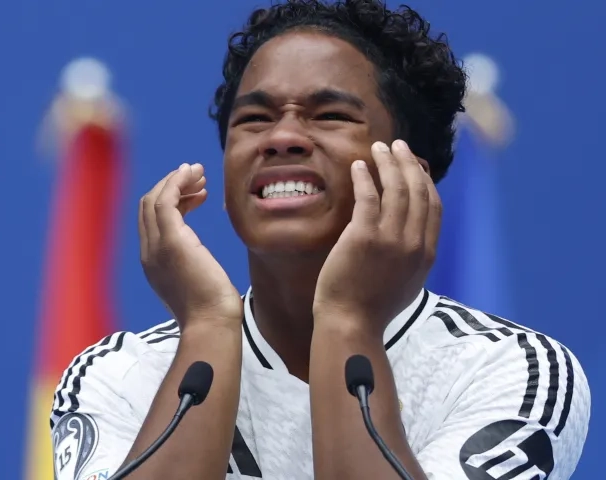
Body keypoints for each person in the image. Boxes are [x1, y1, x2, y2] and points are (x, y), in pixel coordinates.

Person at [49, 0, 591, 478]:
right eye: (254, 119)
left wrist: (348, 317)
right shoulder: (117, 374)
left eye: (330, 115)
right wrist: (210, 325)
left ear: (410, 175)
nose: (282, 138)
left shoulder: (512, 369)